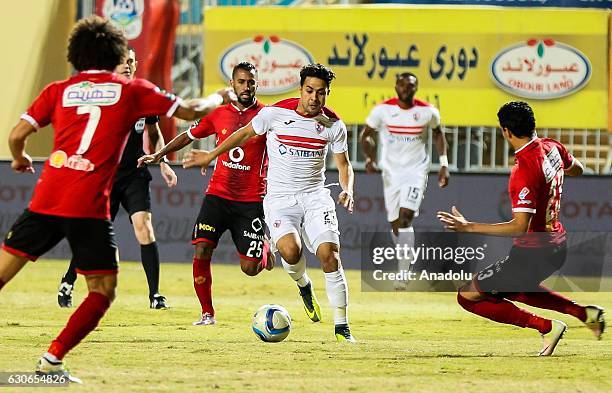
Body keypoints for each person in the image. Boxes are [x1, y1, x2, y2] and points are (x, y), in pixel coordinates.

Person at [0, 15, 230, 382]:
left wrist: (19, 158)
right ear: (116, 54)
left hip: (46, 198)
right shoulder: (131, 90)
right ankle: (52, 360)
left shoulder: (58, 90)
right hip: (87, 207)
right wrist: (221, 96)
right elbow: (192, 111)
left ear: (76, 54)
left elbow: (16, 134)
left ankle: (52, 363)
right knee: (102, 291)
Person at [182, 63, 357, 342]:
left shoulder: (333, 124)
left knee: (329, 255)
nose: (314, 98)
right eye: (310, 91)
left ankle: (342, 327)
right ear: (300, 89)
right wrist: (209, 156)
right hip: (280, 198)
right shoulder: (274, 113)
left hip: (315, 196)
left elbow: (344, 165)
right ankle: (303, 284)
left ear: (327, 94)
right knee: (289, 252)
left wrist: (347, 189)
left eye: (321, 93)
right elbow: (243, 134)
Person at [437, 101, 605, 356]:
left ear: (506, 131)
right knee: (518, 289)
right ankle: (584, 313)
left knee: (468, 296)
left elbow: (519, 227)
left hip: (532, 253)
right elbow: (578, 170)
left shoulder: (524, 169)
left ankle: (547, 328)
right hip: (556, 245)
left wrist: (468, 227)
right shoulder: (552, 146)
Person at [139, 62, 272, 325]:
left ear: (258, 84)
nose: (246, 87)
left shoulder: (268, 116)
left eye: (251, 82)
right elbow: (188, 135)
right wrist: (159, 154)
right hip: (218, 195)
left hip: (250, 201)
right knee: (202, 249)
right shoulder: (219, 114)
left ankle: (265, 248)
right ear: (232, 84)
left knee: (250, 269)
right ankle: (207, 313)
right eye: (241, 82)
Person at [57, 47, 177, 310]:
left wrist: (164, 161)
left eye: (132, 61)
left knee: (144, 227)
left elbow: (154, 134)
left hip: (135, 174)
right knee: (93, 237)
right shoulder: (103, 97)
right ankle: (68, 280)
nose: (128, 65)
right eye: (123, 61)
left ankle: (155, 295)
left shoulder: (143, 97)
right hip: (106, 177)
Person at [360, 72, 449, 289]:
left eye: (410, 85)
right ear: (396, 87)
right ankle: (404, 261)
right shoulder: (382, 111)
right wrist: (370, 158)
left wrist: (444, 163)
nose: (406, 89)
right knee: (395, 224)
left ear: (416, 87)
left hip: (416, 171)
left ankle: (402, 272)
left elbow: (438, 134)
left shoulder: (428, 111)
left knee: (406, 217)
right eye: (402, 85)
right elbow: (365, 135)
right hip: (391, 173)